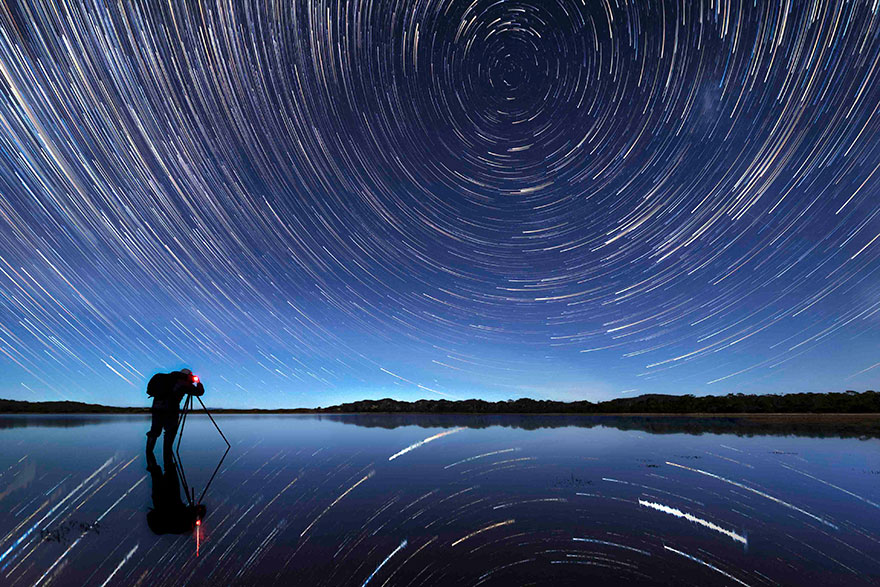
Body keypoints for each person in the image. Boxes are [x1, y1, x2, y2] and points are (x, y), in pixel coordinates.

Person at [145, 368, 204, 458]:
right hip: (170, 410)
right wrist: (198, 383)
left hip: (156, 408)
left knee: (155, 431)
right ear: (188, 375)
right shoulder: (184, 382)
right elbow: (199, 392)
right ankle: (167, 455)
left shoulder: (166, 378)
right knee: (170, 431)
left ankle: (149, 454)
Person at [146, 450, 206, 535]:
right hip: (163, 496)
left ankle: (151, 448)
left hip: (165, 496)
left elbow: (198, 510)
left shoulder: (184, 522)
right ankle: (153, 448)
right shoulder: (184, 523)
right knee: (159, 470)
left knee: (160, 470)